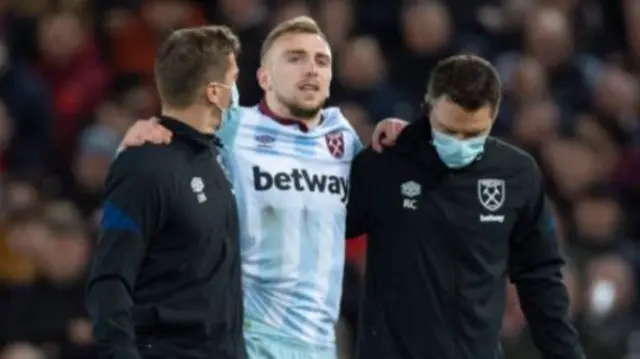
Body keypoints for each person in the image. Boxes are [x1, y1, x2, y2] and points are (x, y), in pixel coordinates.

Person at [118, 17, 400, 359]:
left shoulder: (340, 135)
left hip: (318, 342)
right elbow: (172, 140)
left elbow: (376, 201)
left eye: (321, 60)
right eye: (295, 58)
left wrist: (393, 134)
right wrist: (144, 135)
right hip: (246, 334)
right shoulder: (235, 127)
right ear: (264, 76)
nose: (311, 69)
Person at [347, 54, 585, 359]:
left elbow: (540, 277)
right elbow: (322, 229)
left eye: (473, 134)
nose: (459, 142)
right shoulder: (387, 164)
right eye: (448, 130)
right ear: (428, 106)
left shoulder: (515, 175)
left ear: (494, 115)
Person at [85, 26, 246, 359]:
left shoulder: (216, 159)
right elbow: (110, 278)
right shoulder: (143, 167)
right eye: (234, 79)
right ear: (215, 92)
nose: (237, 92)